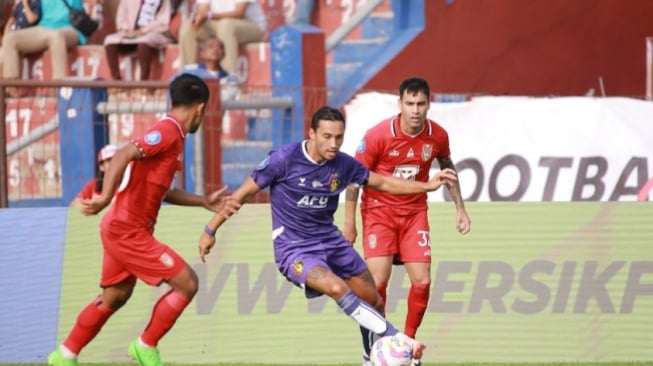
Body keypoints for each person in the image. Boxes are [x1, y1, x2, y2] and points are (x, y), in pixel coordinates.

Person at [199, 106, 460, 361]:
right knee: (336, 287)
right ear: (311, 134)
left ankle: (370, 359)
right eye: (327, 136)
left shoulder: (343, 165)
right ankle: (398, 340)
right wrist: (210, 229)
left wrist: (426, 185)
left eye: (339, 137)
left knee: (374, 300)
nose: (334, 143)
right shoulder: (284, 160)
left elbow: (383, 182)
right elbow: (241, 195)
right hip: (294, 249)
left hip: (332, 242)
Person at [47, 74, 238, 366]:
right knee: (187, 283)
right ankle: (145, 345)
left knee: (114, 297)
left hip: (122, 228)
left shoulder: (175, 137)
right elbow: (124, 154)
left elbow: (163, 191)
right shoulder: (168, 131)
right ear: (200, 108)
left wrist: (203, 202)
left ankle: (64, 355)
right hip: (127, 230)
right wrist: (103, 197)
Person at [343, 77, 472, 366]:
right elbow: (353, 179)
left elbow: (448, 170)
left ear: (429, 104)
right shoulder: (378, 136)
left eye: (421, 104)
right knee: (376, 283)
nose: (415, 110)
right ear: (399, 103)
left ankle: (408, 347)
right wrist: (349, 223)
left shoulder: (437, 136)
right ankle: (375, 350)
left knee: (423, 281)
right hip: (379, 211)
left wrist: (460, 209)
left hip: (414, 213)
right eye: (410, 103)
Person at [1, 0, 87, 84]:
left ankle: (59, 85)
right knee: (10, 39)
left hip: (69, 28)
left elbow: (80, 15)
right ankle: (11, 87)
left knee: (56, 36)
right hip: (45, 27)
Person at [178, 0, 266, 74]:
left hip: (251, 26)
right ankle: (187, 74)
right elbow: (203, 9)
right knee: (188, 28)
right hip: (219, 23)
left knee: (226, 26)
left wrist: (208, 15)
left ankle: (228, 79)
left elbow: (239, 13)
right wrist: (197, 17)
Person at [103, 0, 174, 81]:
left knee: (143, 43)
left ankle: (143, 82)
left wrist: (143, 31)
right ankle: (116, 81)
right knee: (109, 41)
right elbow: (121, 18)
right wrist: (126, 30)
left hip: (154, 32)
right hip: (131, 33)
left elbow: (163, 22)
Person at [69, 144, 118, 208]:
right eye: (109, 161)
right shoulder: (94, 184)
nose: (113, 163)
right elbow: (74, 203)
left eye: (116, 160)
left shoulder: (128, 184)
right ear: (101, 166)